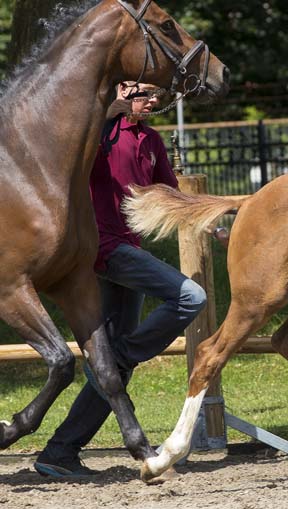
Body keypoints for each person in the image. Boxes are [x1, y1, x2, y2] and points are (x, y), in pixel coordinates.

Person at [34, 82, 208, 477]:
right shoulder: (99, 130)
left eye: (158, 97)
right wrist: (110, 108)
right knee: (190, 297)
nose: (153, 101)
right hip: (102, 249)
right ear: (123, 89)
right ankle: (124, 355)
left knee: (112, 367)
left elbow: (170, 193)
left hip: (128, 250)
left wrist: (209, 222)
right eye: (145, 93)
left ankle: (59, 452)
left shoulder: (151, 140)